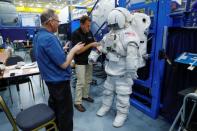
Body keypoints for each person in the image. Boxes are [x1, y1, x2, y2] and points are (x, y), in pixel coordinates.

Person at [88, 7, 150, 127]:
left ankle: (122, 114)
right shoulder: (111, 33)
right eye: (112, 25)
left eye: (115, 24)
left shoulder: (130, 34)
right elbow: (100, 46)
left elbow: (132, 55)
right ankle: (105, 106)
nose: (113, 26)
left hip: (123, 71)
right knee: (107, 91)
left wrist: (132, 70)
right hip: (111, 70)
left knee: (122, 95)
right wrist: (93, 56)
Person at [33, 9, 84, 131]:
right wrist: (73, 50)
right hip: (59, 82)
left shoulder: (38, 36)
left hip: (50, 81)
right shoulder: (50, 38)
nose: (59, 24)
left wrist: (61, 49)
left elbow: (49, 55)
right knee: (65, 114)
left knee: (54, 108)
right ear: (50, 22)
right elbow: (64, 64)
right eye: (57, 21)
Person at [71, 15, 98, 112]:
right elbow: (77, 51)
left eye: (89, 26)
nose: (89, 28)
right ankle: (77, 102)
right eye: (87, 26)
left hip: (89, 61)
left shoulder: (89, 32)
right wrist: (91, 44)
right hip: (80, 62)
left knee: (88, 80)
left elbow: (94, 42)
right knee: (81, 82)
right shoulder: (75, 34)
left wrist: (99, 46)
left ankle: (85, 96)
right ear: (81, 24)